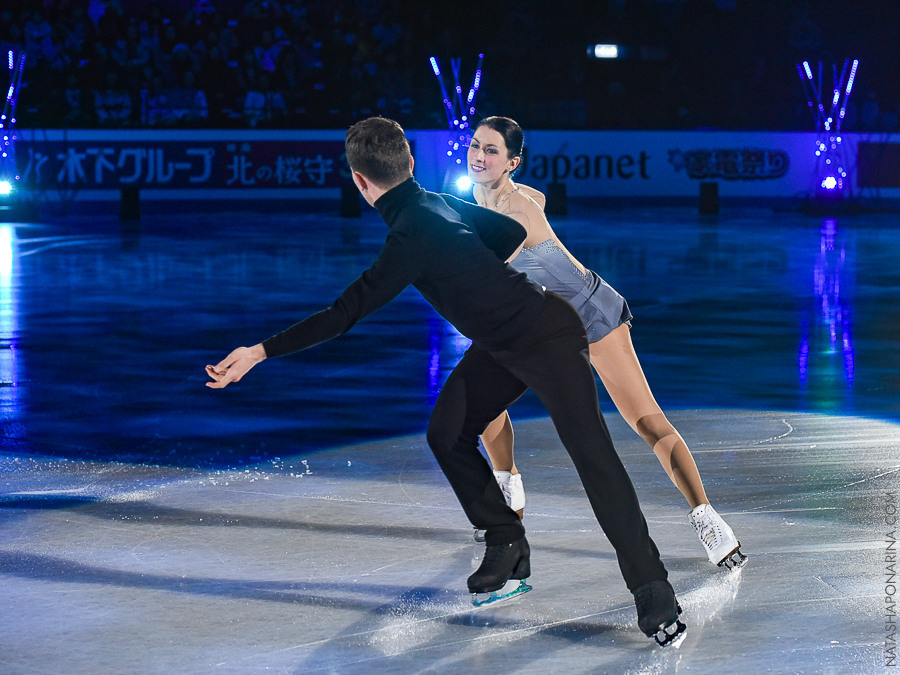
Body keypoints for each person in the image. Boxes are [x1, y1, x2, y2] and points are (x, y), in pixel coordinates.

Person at [205, 117, 686, 647]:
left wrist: (258, 351)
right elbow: (506, 232)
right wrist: (480, 281)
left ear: (360, 182)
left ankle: (653, 593)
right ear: (410, 162)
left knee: (593, 458)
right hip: (505, 342)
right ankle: (506, 539)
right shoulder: (437, 204)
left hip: (547, 337)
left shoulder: (409, 236)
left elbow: (342, 314)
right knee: (447, 432)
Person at [467, 116, 746, 570]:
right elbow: (533, 198)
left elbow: (488, 261)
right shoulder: (497, 197)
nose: (479, 155)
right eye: (475, 145)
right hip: (544, 323)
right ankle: (507, 485)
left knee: (646, 422)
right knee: (483, 400)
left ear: (512, 161)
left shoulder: (517, 214)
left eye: (491, 150)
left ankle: (707, 519)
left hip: (592, 316)